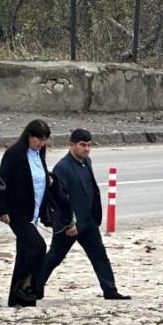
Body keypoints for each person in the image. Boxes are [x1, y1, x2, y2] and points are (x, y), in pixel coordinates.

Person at [39, 129, 130, 301]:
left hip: (88, 222)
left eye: (89, 145)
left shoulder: (86, 161)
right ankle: (35, 286)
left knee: (100, 256)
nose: (86, 149)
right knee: (54, 257)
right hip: (69, 224)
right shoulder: (62, 168)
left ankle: (110, 290)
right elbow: (58, 199)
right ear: (72, 144)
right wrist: (68, 223)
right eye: (82, 145)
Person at [0, 119, 52, 308]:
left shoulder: (40, 153)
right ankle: (28, 286)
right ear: (29, 135)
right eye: (38, 139)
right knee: (38, 247)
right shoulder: (14, 154)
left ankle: (19, 298)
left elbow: (40, 179)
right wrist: (1, 210)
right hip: (16, 212)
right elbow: (1, 182)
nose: (41, 143)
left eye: (44, 140)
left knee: (24, 254)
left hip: (33, 212)